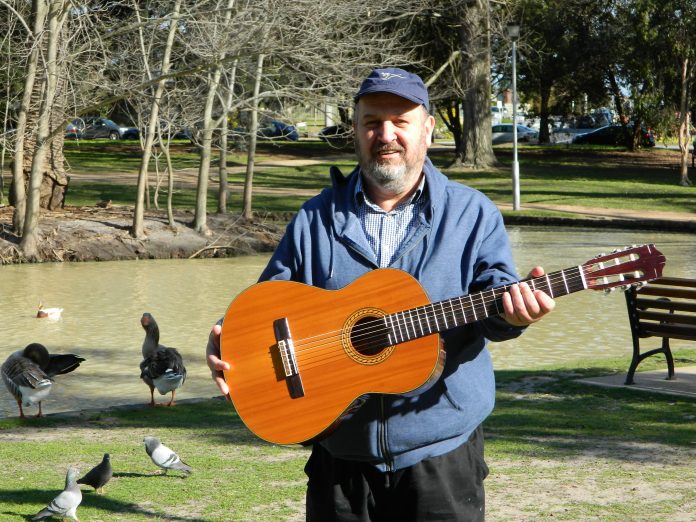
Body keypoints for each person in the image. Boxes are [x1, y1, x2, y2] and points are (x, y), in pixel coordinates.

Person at [207, 67, 555, 522]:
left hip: (441, 455)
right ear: (354, 129)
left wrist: (514, 316)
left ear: (428, 128)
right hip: (340, 457)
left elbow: (495, 303)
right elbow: (268, 303)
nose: (385, 134)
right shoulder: (315, 218)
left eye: (400, 121)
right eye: (372, 121)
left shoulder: (473, 214)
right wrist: (230, 339)